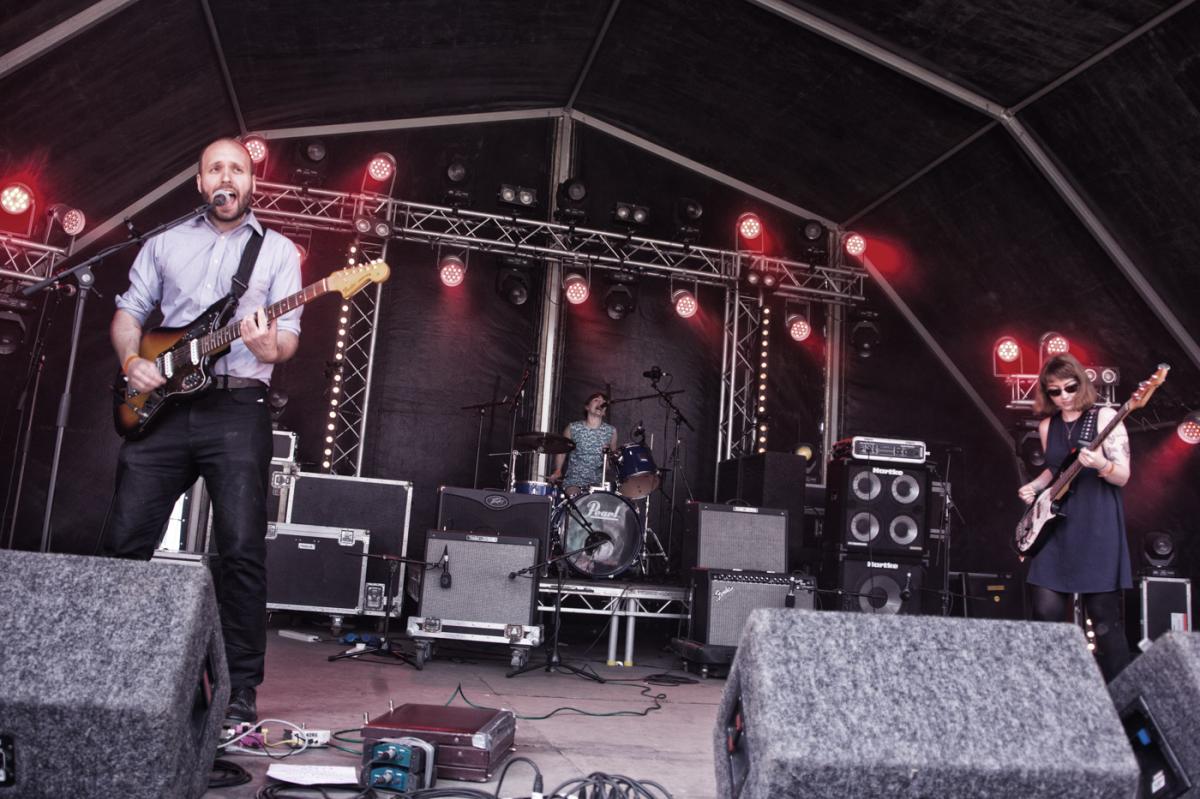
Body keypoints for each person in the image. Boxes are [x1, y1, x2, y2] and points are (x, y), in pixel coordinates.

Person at [101, 137, 302, 724]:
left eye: (237, 168)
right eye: (216, 167)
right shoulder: (163, 241)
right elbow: (129, 312)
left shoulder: (278, 251)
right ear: (200, 182)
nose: (227, 176)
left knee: (240, 549)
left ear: (252, 183)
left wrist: (269, 345)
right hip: (162, 406)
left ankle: (240, 689)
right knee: (124, 541)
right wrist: (130, 361)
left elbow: (287, 337)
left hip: (237, 409)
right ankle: (108, 663)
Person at [1017, 353, 1132, 681]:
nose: (1064, 396)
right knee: (1045, 610)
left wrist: (1101, 465)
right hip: (1055, 525)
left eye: (1070, 387)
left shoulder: (1105, 416)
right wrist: (1034, 486)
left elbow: (1122, 476)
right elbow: (1056, 469)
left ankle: (1122, 699)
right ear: (1046, 393)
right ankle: (1050, 688)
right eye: (1055, 391)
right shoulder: (1046, 425)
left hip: (1097, 524)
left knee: (1103, 616)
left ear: (1081, 384)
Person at [550, 392, 618, 495]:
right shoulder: (573, 428)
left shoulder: (611, 431)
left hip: (598, 484)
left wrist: (608, 456)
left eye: (604, 402)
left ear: (604, 412)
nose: (601, 403)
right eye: (596, 400)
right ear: (587, 407)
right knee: (575, 499)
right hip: (574, 482)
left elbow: (611, 462)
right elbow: (562, 452)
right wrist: (558, 470)